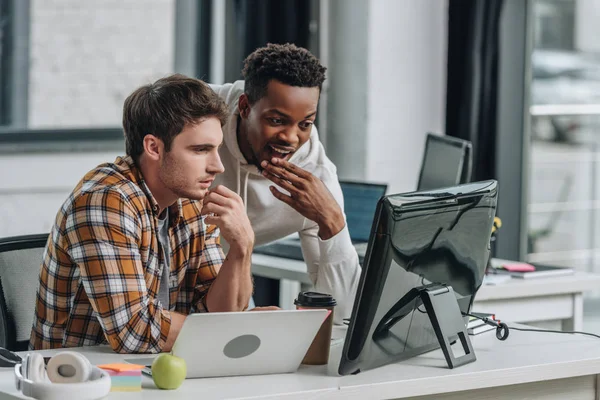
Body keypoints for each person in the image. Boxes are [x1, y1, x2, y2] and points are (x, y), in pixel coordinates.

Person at [30, 74, 257, 353]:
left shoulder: (191, 201)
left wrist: (242, 246)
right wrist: (243, 330)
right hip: (78, 381)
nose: (218, 166)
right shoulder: (104, 201)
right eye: (201, 150)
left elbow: (216, 311)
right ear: (154, 147)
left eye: (217, 149)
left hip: (157, 373)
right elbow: (135, 331)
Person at [210, 43, 360, 323]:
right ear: (244, 106)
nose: (291, 138)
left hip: (231, 277)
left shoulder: (316, 177)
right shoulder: (199, 113)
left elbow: (343, 314)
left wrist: (332, 221)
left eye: (305, 124)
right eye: (277, 120)